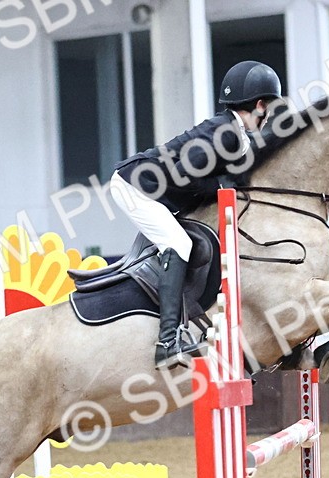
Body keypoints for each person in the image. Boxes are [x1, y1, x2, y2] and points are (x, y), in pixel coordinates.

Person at [111, 61, 282, 369]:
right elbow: (182, 174)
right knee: (178, 244)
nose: (268, 116)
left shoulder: (233, 133)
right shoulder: (227, 134)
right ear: (259, 105)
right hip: (135, 184)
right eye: (268, 108)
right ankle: (167, 341)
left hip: (151, 185)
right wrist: (221, 185)